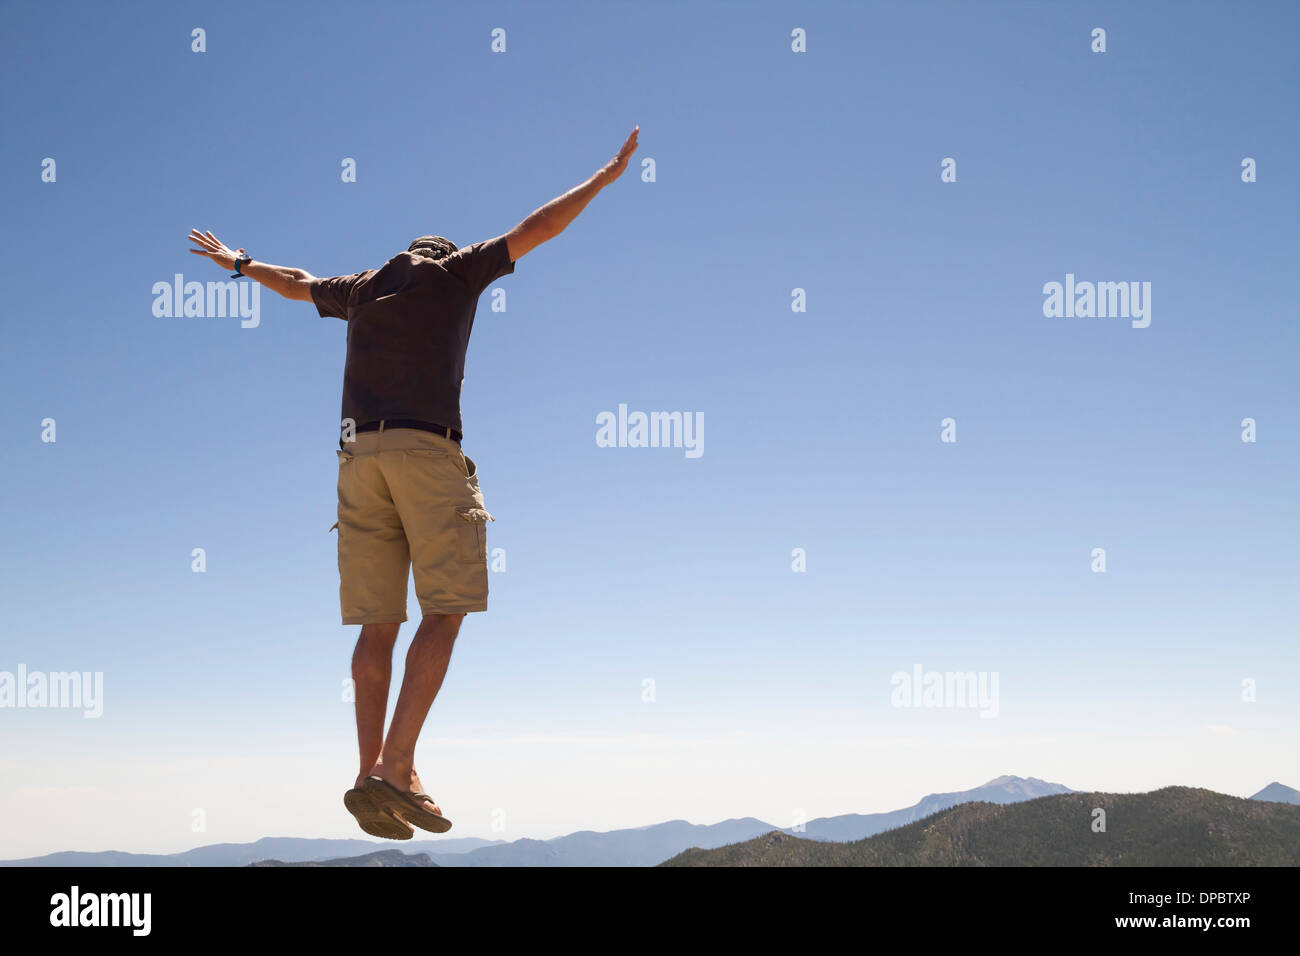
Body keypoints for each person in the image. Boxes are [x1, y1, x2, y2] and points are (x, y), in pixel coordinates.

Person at [187, 126, 639, 839]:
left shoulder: (363, 288)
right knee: (446, 607)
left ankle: (373, 771)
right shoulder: (455, 273)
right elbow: (538, 227)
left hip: (354, 461)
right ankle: (397, 765)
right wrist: (603, 180)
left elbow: (296, 283)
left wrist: (239, 261)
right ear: (441, 252)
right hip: (425, 454)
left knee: (378, 624)